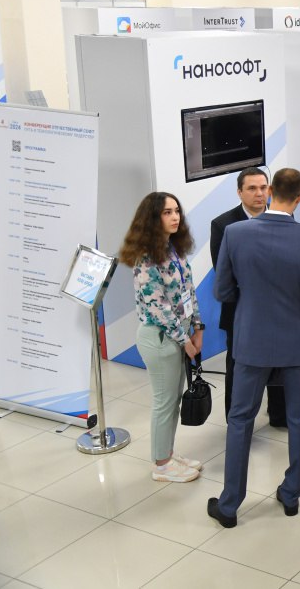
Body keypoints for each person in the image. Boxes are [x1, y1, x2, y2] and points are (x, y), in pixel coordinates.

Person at [208, 168, 300, 527]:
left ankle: (230, 505)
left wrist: (252, 300)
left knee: (240, 420)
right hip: (298, 344)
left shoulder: (235, 234)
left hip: (252, 341)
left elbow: (222, 291)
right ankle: (292, 494)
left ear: (270, 192)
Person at [119, 192, 204, 484]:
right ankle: (162, 465)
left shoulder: (174, 250)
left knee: (173, 400)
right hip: (160, 338)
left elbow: (189, 292)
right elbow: (159, 308)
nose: (175, 217)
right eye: (167, 212)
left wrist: (198, 328)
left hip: (179, 336)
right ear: (152, 219)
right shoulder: (146, 260)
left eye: (176, 211)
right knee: (164, 402)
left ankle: (167, 453)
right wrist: (185, 340)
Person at [210, 167, 283, 424]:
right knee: (238, 368)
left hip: (278, 309)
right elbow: (223, 273)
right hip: (241, 311)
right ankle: (237, 421)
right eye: (252, 188)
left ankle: (279, 414)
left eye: (263, 188)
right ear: (240, 192)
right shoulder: (223, 225)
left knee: (279, 361)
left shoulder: (282, 217)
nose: (259, 193)